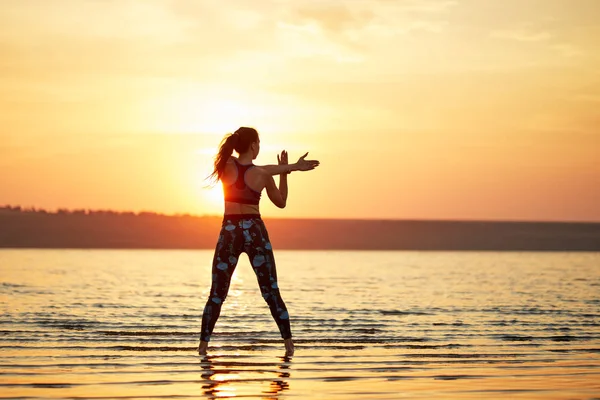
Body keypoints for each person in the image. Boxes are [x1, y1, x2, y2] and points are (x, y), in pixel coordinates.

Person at [198, 127, 320, 357]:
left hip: (230, 231)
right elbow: (281, 202)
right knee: (271, 291)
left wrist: (286, 168)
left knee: (217, 294)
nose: (259, 147)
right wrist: (287, 170)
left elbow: (269, 170)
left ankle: (202, 347)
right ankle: (289, 345)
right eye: (259, 143)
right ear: (253, 145)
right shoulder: (263, 174)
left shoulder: (225, 165)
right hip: (254, 231)